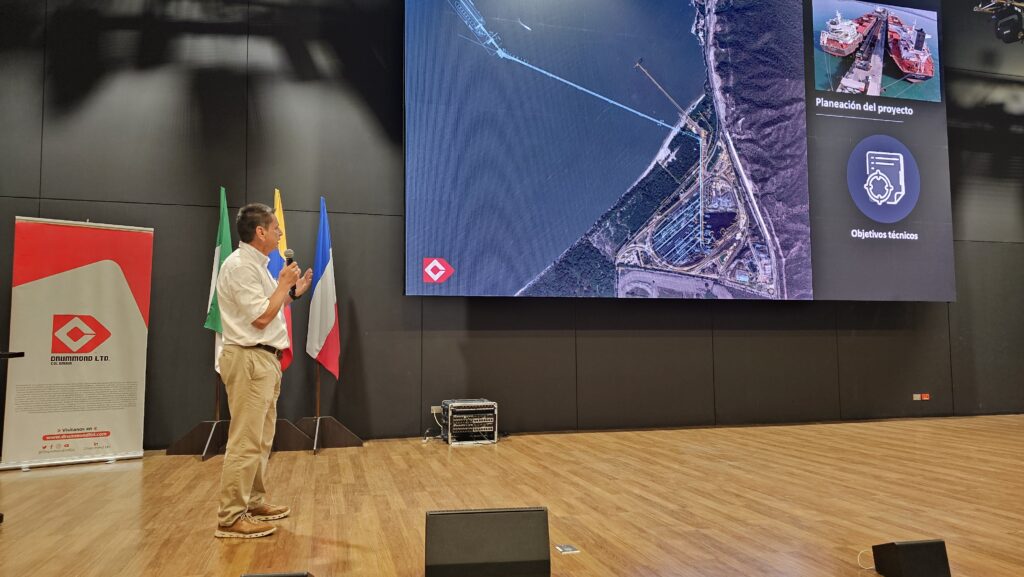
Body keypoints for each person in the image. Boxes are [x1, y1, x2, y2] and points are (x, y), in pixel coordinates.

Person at [213, 203, 312, 539]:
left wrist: (292, 293)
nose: (280, 233)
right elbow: (260, 318)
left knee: (261, 438)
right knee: (245, 440)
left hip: (264, 359)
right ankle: (229, 517)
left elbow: (269, 303)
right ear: (261, 232)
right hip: (248, 358)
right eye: (276, 228)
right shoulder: (240, 266)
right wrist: (284, 284)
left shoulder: (258, 265)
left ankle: (253, 502)